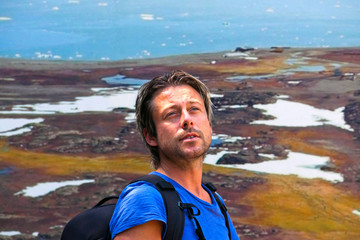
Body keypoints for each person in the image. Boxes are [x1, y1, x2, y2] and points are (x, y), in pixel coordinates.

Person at [110, 70, 240, 240]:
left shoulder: (215, 201)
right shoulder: (144, 200)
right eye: (171, 113)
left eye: (194, 109)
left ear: (209, 125)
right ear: (151, 136)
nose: (187, 120)